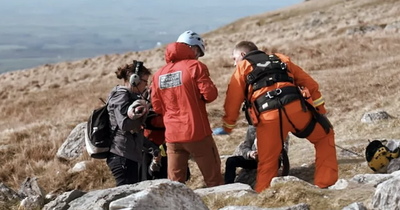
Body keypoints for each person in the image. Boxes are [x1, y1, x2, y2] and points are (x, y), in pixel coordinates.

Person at [213, 41, 338, 193]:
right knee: (324, 136)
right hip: (296, 110)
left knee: (267, 163)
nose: (234, 63)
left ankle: (264, 196)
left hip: (268, 119)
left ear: (243, 55)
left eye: (234, 58)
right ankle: (325, 184)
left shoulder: (242, 68)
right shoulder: (280, 59)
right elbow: (310, 84)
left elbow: (232, 101)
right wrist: (320, 111)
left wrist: (228, 126)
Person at [150, 30, 224, 187]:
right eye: (199, 52)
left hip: (172, 136)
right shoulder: (195, 66)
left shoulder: (158, 74)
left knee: (175, 185)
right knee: (214, 180)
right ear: (195, 49)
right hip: (197, 133)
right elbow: (210, 95)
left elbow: (156, 107)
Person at [106, 60, 151, 186]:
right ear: (134, 80)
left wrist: (150, 145)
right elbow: (125, 125)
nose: (146, 85)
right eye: (145, 81)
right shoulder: (121, 95)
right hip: (121, 156)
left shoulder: (129, 96)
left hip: (127, 154)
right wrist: (142, 114)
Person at [225, 125, 289, 184]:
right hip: (254, 159)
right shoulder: (253, 128)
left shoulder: (280, 128)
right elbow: (245, 147)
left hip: (271, 161)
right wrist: (250, 153)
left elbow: (284, 151)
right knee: (231, 161)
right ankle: (229, 186)